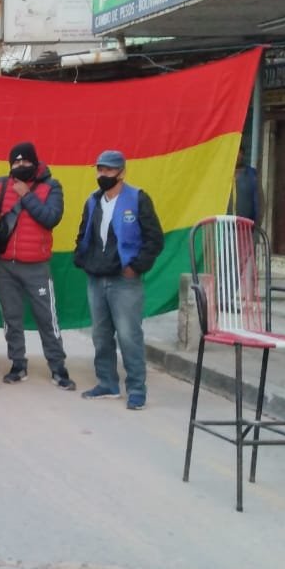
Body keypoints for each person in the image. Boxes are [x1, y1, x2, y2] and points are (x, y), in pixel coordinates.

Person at [74, 149, 164, 411]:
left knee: (129, 336)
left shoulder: (138, 198)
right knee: (101, 335)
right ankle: (107, 383)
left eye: (109, 170)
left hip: (125, 280)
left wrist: (136, 267)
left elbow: (154, 238)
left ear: (122, 172)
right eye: (100, 169)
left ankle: (136, 389)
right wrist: (83, 258)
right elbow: (84, 233)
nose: (103, 174)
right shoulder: (93, 201)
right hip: (96, 278)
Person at [0, 142, 76, 391]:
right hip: (5, 265)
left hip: (37, 266)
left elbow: (51, 218)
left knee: (47, 319)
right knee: (11, 318)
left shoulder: (52, 186)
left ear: (35, 163)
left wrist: (26, 194)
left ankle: (58, 367)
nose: (21, 165)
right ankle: (18, 364)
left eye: (25, 161)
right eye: (16, 162)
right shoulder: (1, 185)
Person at [229, 146, 262, 224]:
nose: (237, 155)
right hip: (224, 225)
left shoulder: (252, 174)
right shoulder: (222, 175)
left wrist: (257, 223)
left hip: (246, 226)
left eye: (239, 152)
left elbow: (259, 201)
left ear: (243, 154)